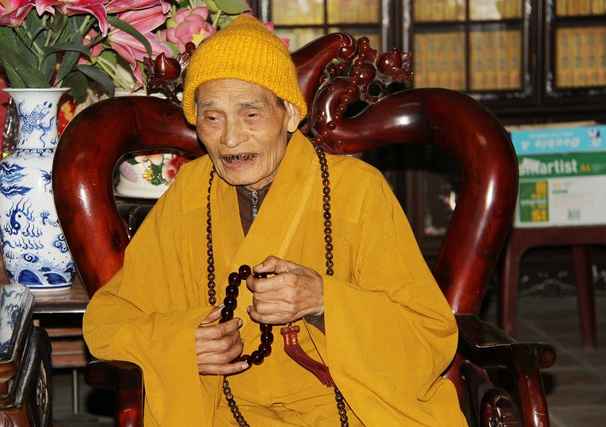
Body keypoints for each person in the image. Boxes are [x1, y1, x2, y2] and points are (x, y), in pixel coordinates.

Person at [83, 16, 467, 426]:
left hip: (348, 411)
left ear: (290, 115)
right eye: (212, 118)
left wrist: (323, 301)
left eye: (251, 114)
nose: (230, 138)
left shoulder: (358, 191)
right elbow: (108, 322)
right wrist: (180, 344)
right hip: (224, 414)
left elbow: (428, 338)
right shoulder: (189, 194)